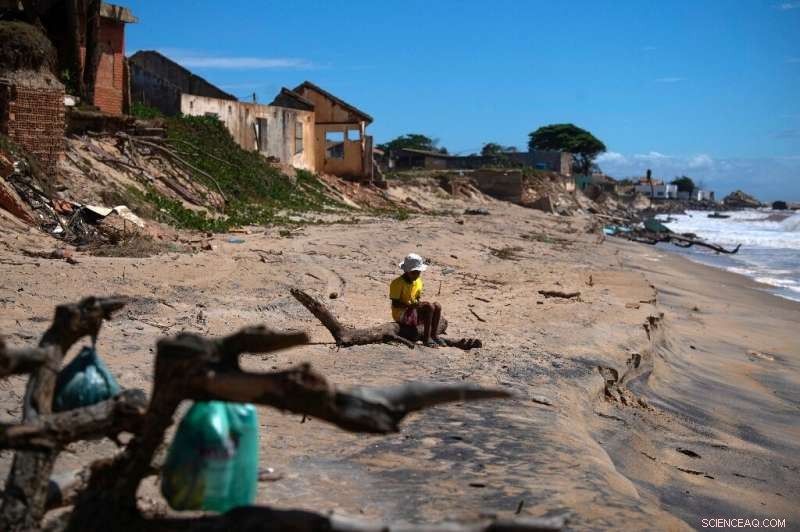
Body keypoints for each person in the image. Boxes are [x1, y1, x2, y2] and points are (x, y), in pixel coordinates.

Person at [389, 253, 445, 347]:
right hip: (401, 314)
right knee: (429, 306)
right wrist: (411, 306)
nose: (417, 275)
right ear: (406, 271)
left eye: (418, 272)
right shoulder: (397, 283)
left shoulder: (418, 281)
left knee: (437, 305)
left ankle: (434, 335)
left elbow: (417, 298)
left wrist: (417, 305)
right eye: (413, 272)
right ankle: (426, 339)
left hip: (412, 310)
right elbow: (395, 304)